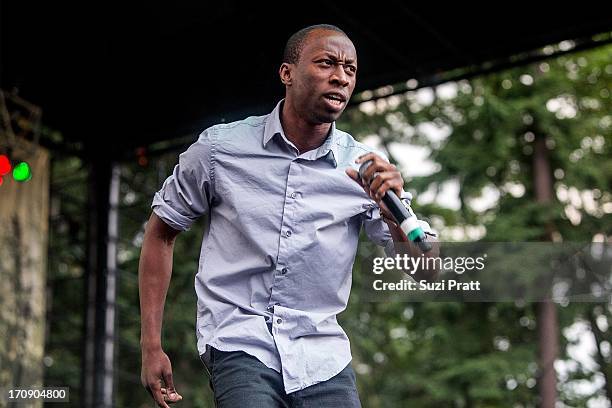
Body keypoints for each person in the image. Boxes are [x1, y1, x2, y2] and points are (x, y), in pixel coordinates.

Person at [139, 24, 438, 408]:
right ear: (287, 73)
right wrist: (151, 346)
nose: (340, 77)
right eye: (327, 63)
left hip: (322, 355)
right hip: (238, 340)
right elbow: (161, 233)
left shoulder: (365, 168)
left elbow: (429, 270)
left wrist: (394, 216)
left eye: (350, 69)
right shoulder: (219, 149)